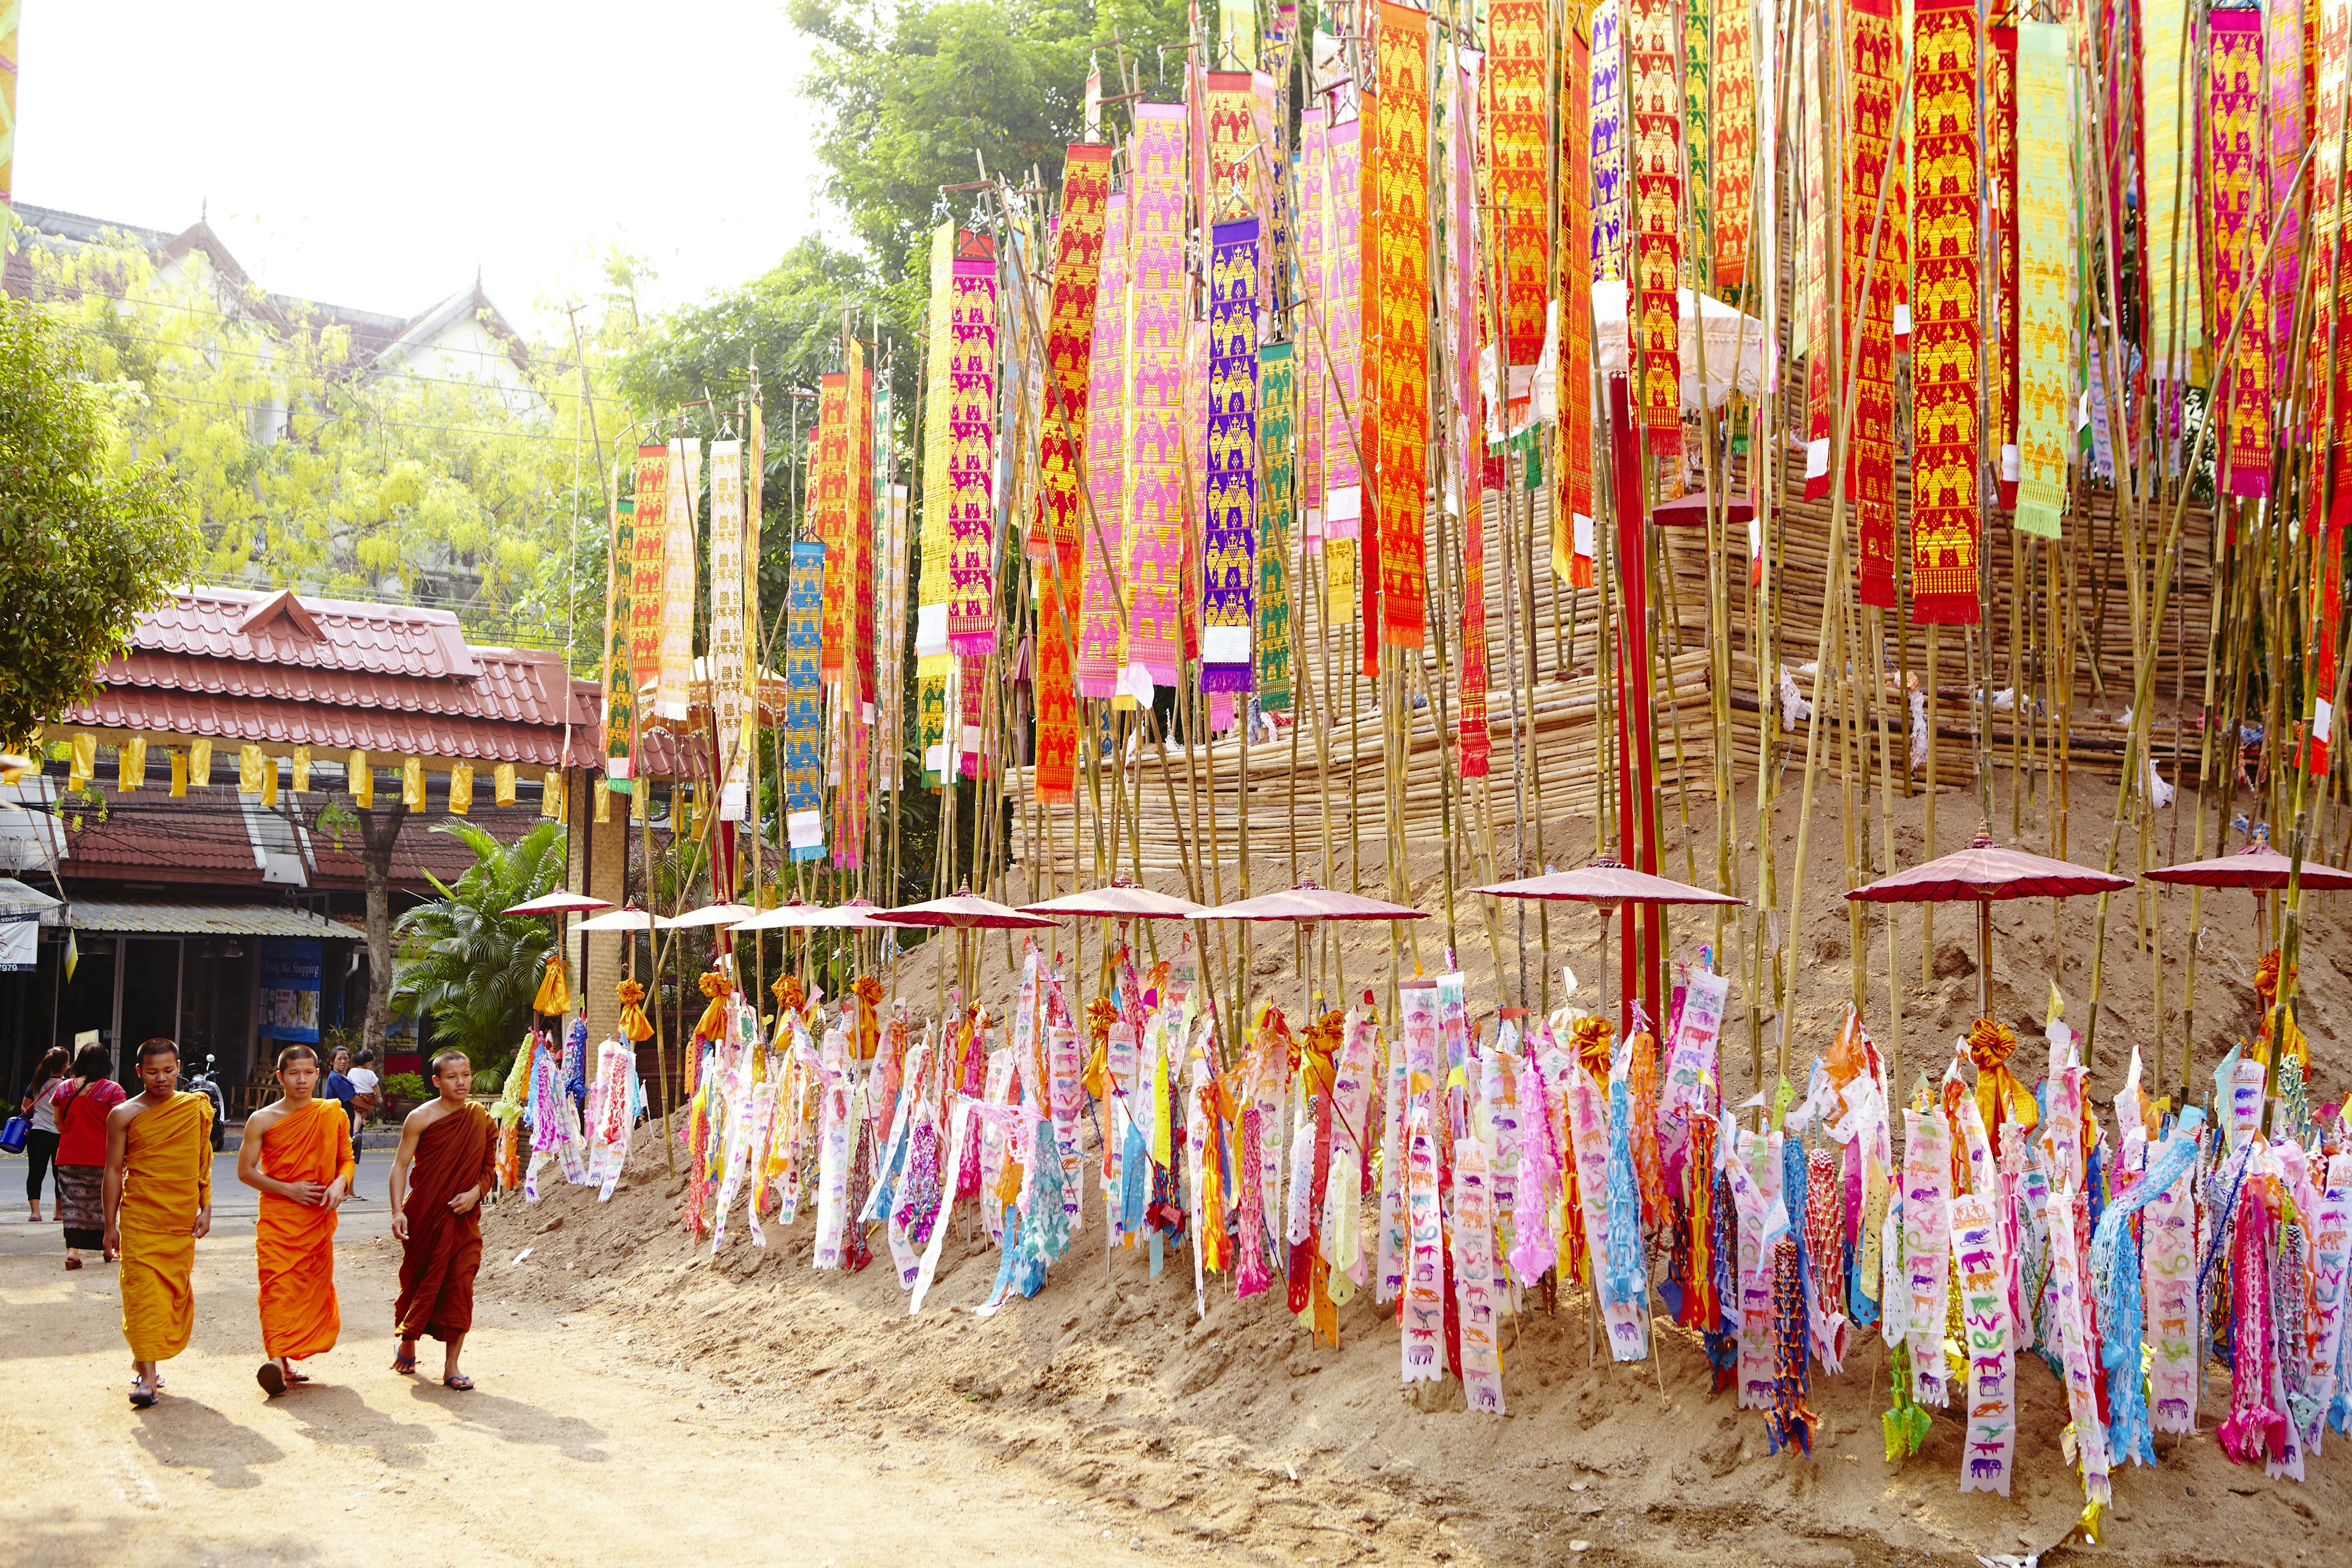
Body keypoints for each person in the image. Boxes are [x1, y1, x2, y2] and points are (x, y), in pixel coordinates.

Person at [104, 1038, 214, 1408]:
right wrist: (109, 1225)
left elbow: (202, 1162)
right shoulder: (123, 1114)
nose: (162, 1078)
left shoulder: (193, 1107)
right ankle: (147, 1378)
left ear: (179, 1066)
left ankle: (144, 1356)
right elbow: (113, 1171)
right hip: (140, 1216)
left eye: (169, 1070)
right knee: (141, 1293)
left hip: (179, 1218)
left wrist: (206, 1207)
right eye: (153, 1072)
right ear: (139, 1072)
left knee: (169, 1293)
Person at [237, 1044, 352, 1396]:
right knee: (276, 1287)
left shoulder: (332, 1113)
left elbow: (346, 1161)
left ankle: (284, 1361)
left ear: (319, 1075)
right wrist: (289, 1190)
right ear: (280, 1077)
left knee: (306, 1290)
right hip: (279, 1219)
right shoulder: (263, 1120)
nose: (302, 1081)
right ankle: (274, 1359)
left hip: (316, 1219)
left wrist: (338, 1183)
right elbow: (245, 1172)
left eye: (308, 1073)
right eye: (293, 1074)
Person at [388, 1050, 494, 1390]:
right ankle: (408, 1338)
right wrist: (397, 1211)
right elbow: (400, 1166)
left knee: (460, 1285)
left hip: (463, 1220)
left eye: (466, 1074)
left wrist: (476, 1193)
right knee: (418, 1280)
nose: (461, 1082)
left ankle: (452, 1366)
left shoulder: (480, 1119)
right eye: (452, 1076)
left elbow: (488, 1170)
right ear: (437, 1081)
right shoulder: (420, 1118)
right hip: (425, 1214)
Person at [51, 1041, 126, 1269]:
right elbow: (122, 1126)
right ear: (106, 1063)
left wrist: (74, 1136)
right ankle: (108, 1249)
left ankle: (72, 1252)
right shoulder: (114, 1091)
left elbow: (57, 1122)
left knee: (72, 1204)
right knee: (105, 1204)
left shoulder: (63, 1089)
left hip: (69, 1155)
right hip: (104, 1158)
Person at [18, 1044, 69, 1222]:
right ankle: (59, 1212)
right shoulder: (66, 1086)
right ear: (65, 1066)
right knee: (60, 1175)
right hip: (60, 1134)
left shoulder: (36, 1083)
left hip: (37, 1133)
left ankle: (35, 1212)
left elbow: (25, 1107)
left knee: (35, 1173)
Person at [346, 1047, 380, 1180]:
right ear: (367, 1063)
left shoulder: (352, 1071)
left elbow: (350, 1082)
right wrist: (379, 1097)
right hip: (369, 1097)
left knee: (357, 1114)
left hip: (358, 1096)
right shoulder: (370, 1073)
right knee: (362, 1113)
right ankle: (361, 1123)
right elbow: (375, 1086)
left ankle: (355, 1133)